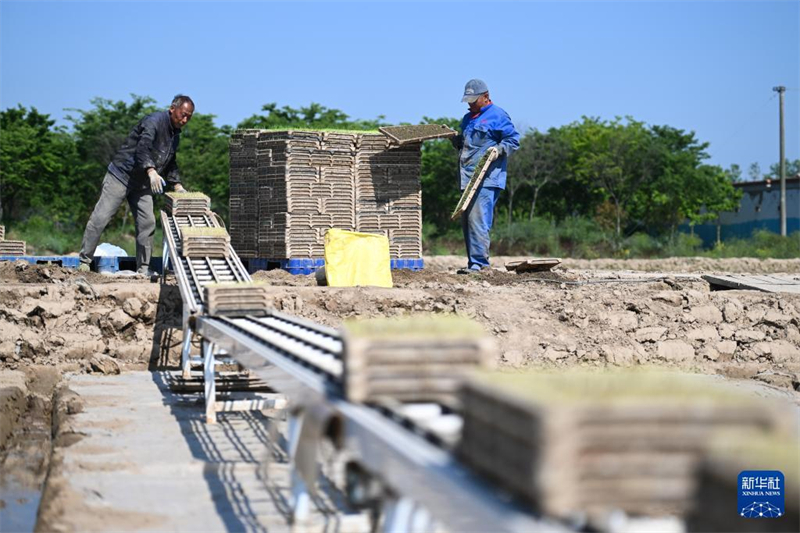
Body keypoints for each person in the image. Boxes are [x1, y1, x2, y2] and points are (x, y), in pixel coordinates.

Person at [78, 95, 194, 275]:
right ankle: (84, 261)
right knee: (101, 217)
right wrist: (151, 171)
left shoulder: (175, 135)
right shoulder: (154, 122)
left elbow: (170, 161)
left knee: (147, 223)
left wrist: (177, 185)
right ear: (172, 108)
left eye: (189, 117)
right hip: (121, 175)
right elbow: (143, 147)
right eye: (183, 114)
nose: (185, 119)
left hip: (142, 184)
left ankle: (143, 269)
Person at [451, 79, 520, 273]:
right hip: (467, 178)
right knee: (467, 221)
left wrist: (499, 149)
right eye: (468, 101)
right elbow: (465, 144)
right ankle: (473, 263)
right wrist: (453, 138)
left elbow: (513, 140)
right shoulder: (468, 119)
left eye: (474, 100)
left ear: (486, 97)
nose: (470, 104)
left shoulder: (497, 115)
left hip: (486, 178)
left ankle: (480, 264)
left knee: (477, 220)